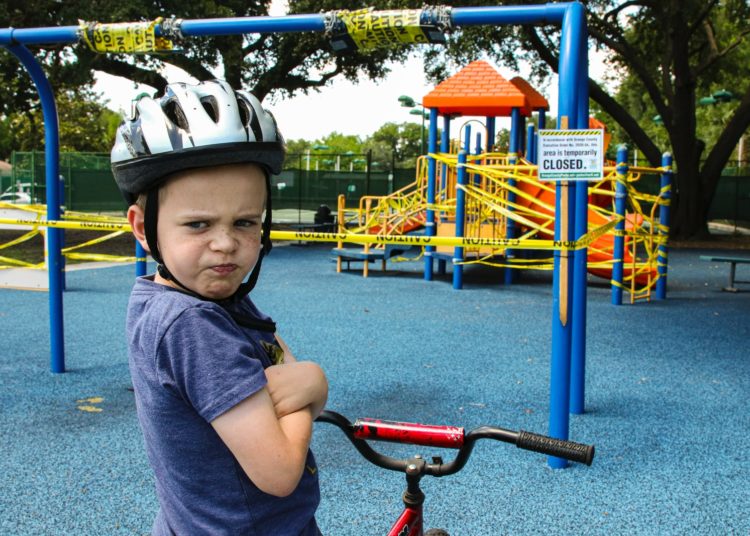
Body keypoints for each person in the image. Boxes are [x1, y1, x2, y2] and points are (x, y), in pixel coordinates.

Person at [111, 79, 328, 535]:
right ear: (143, 228)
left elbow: (276, 358)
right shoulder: (192, 323)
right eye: (198, 224)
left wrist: (296, 387)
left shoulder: (200, 294)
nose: (226, 244)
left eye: (245, 222)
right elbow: (280, 471)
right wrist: (313, 384)